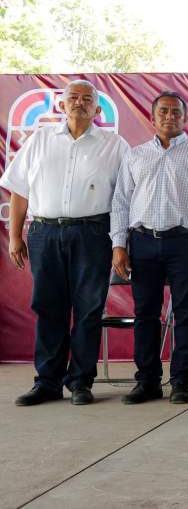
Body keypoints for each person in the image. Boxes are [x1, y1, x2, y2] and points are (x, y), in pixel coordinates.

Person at [1, 79, 130, 406]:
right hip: (45, 233)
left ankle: (80, 382)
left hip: (93, 235)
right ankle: (47, 382)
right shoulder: (39, 140)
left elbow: (125, 199)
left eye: (87, 99)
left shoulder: (114, 145)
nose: (79, 103)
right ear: (61, 105)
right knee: (48, 308)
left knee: (88, 310)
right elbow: (19, 190)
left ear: (97, 109)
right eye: (72, 97)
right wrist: (15, 236)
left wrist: (120, 243)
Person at [110, 90, 188, 405]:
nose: (170, 116)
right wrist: (119, 244)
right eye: (164, 111)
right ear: (153, 116)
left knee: (186, 311)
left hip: (185, 241)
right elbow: (120, 202)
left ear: (185, 117)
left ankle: (181, 380)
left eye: (176, 112)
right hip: (142, 241)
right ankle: (147, 381)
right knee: (145, 313)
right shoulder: (135, 155)